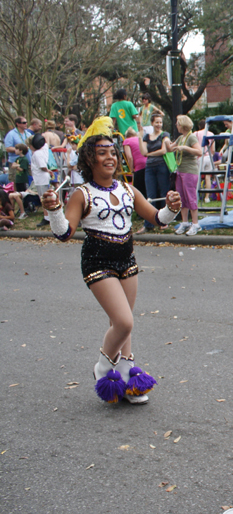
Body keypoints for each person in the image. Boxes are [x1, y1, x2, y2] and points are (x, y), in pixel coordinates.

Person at [40, 117, 182, 404]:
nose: (110, 158)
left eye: (113, 152)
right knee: (124, 322)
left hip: (127, 261)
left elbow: (156, 218)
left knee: (121, 322)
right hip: (97, 262)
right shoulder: (82, 194)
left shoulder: (127, 189)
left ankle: (128, 377)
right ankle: (104, 367)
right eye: (102, 152)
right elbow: (64, 233)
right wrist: (54, 210)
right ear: (89, 159)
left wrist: (171, 208)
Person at [166, 115, 203, 236]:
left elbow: (199, 152)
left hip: (189, 171)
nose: (176, 125)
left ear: (183, 125)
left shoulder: (191, 137)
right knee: (181, 197)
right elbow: (170, 149)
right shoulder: (180, 138)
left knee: (190, 196)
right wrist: (166, 141)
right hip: (180, 171)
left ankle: (195, 224)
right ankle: (185, 222)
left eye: (178, 123)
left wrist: (185, 148)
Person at [140, 113, 171, 230]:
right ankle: (148, 223)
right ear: (152, 123)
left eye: (160, 122)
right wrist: (139, 137)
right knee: (150, 196)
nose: (159, 124)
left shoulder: (164, 135)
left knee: (164, 193)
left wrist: (150, 154)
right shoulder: (147, 137)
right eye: (157, 122)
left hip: (161, 165)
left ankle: (164, 221)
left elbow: (163, 151)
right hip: (149, 167)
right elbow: (143, 152)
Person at [123, 128, 148, 233]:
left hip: (138, 166)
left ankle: (140, 213)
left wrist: (131, 168)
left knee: (138, 190)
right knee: (147, 189)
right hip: (147, 163)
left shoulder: (127, 141)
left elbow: (129, 156)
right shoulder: (140, 139)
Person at [30, 133, 52, 227]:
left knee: (43, 198)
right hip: (42, 178)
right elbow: (46, 143)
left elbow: (42, 166)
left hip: (41, 178)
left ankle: (47, 217)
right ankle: (48, 216)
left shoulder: (37, 154)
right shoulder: (44, 149)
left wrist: (48, 171)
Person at [194, 118, 216, 203]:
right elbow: (213, 149)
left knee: (197, 176)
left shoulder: (196, 133)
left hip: (199, 157)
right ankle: (207, 197)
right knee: (208, 177)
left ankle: (196, 195)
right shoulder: (211, 134)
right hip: (209, 157)